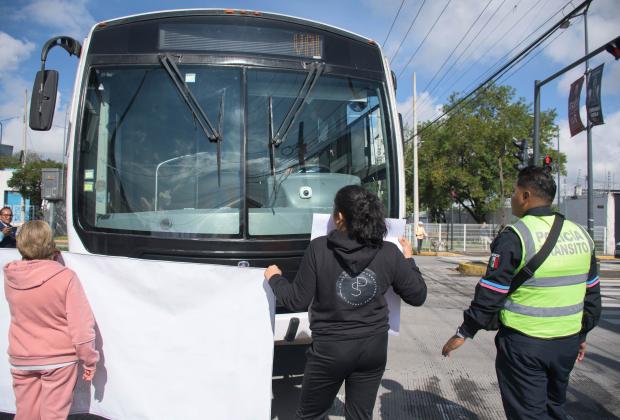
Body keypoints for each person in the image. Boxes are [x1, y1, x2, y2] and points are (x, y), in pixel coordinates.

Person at [441, 166, 601, 420]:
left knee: (528, 414)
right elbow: (592, 294)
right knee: (554, 408)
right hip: (567, 343)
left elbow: (490, 294)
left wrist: (464, 331)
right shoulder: (581, 235)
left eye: (514, 192)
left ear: (526, 196)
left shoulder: (516, 236)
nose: (512, 198)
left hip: (525, 345)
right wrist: (581, 332)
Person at [264, 185, 427, 420]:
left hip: (330, 350)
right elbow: (418, 296)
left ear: (339, 217)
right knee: (360, 416)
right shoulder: (390, 252)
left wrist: (274, 278)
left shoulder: (319, 249)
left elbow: (295, 299)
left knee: (310, 415)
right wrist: (409, 260)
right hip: (373, 348)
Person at [3, 220, 99, 419]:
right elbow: (81, 327)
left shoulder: (11, 276)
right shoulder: (65, 277)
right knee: (53, 415)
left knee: (26, 413)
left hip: (21, 357)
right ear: (50, 243)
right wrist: (89, 360)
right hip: (58, 359)